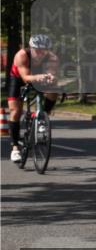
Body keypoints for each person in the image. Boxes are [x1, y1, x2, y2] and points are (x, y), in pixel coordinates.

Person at [7, 34, 60, 162]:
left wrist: (52, 78)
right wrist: (38, 77)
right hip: (19, 78)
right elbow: (25, 77)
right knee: (15, 111)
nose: (41, 53)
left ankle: (43, 118)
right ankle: (15, 148)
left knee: (53, 89)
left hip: (39, 76)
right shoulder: (22, 55)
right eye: (37, 50)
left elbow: (52, 74)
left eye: (44, 50)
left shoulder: (52, 58)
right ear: (31, 48)